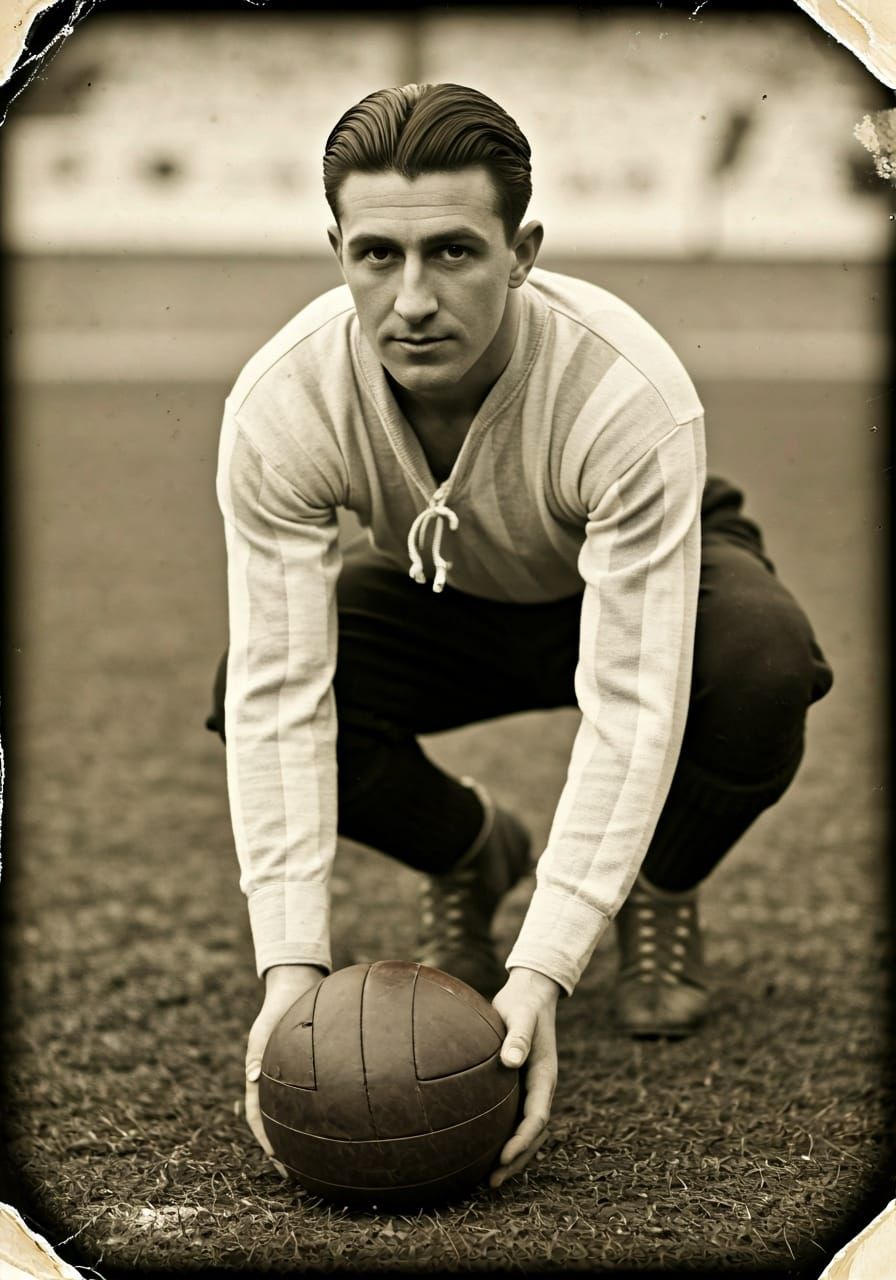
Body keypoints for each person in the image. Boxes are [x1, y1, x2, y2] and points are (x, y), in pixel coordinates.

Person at [206, 82, 833, 1189]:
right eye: (374, 256)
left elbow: (632, 698)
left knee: (757, 667)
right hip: (444, 590)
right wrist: (287, 971)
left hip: (635, 581)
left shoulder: (624, 393)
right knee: (250, 688)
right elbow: (279, 690)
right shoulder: (283, 404)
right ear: (335, 248)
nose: (409, 301)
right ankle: (468, 845)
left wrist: (540, 970)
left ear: (523, 248)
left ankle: (658, 879)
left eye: (452, 251)